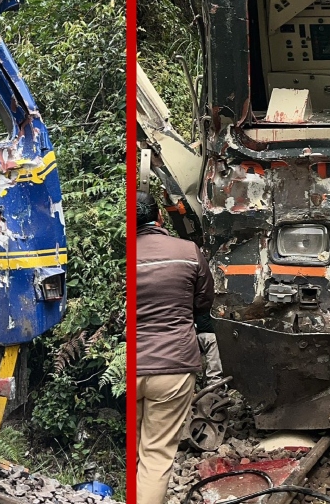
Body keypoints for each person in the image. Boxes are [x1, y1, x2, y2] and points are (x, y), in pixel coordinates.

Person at [136, 190, 214, 504]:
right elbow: (204, 302)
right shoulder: (187, 251)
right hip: (174, 365)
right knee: (155, 455)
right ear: (159, 217)